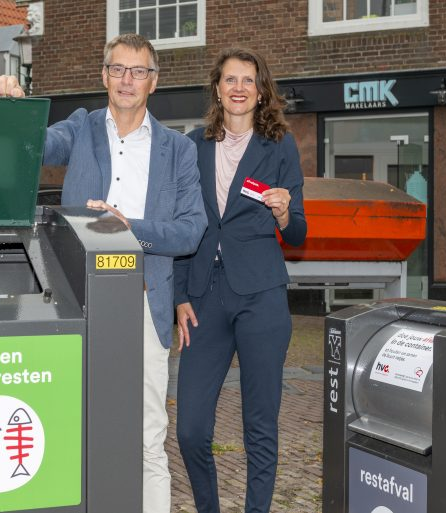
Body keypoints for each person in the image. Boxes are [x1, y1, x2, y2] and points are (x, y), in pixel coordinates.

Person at [0, 33, 207, 513]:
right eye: (118, 70)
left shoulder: (178, 151)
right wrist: (15, 106)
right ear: (104, 76)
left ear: (154, 81)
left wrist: (133, 231)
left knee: (147, 435)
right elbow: (37, 146)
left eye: (139, 71)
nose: (128, 80)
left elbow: (190, 231)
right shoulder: (81, 128)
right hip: (78, 301)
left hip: (145, 302)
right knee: (74, 426)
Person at [174, 47, 307, 513]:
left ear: (260, 90)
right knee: (189, 429)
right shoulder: (192, 145)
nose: (238, 88)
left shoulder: (279, 145)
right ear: (217, 88)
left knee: (260, 427)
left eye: (248, 80)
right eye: (230, 79)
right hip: (203, 296)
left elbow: (299, 233)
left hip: (261, 297)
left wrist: (286, 211)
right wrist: (178, 296)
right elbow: (181, 223)